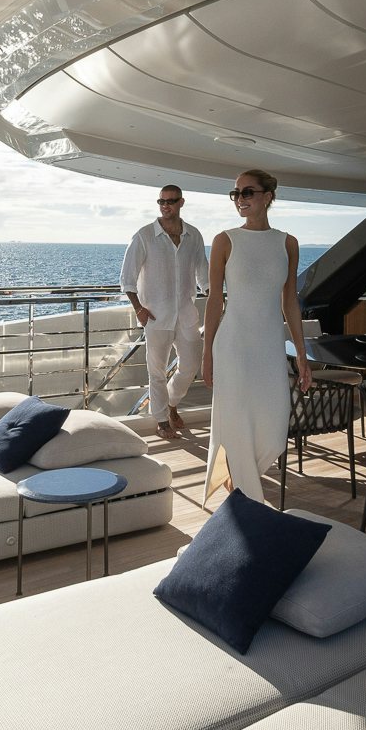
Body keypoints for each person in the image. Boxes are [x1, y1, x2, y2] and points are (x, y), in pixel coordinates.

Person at [201, 169, 313, 505]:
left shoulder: (287, 243)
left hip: (269, 348)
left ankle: (235, 478)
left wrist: (302, 356)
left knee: (274, 430)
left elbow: (289, 301)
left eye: (247, 192)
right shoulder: (225, 240)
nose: (240, 200)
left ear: (267, 197)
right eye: (235, 193)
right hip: (232, 346)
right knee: (236, 424)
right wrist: (207, 353)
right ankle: (247, 505)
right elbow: (214, 300)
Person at [120, 184, 208, 440]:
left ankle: (170, 404)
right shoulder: (144, 235)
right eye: (161, 201)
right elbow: (127, 278)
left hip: (186, 314)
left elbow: (204, 273)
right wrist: (139, 309)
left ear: (182, 203)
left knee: (190, 366)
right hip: (155, 315)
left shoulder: (194, 235)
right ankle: (161, 421)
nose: (165, 205)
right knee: (156, 370)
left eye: (171, 201)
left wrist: (217, 297)